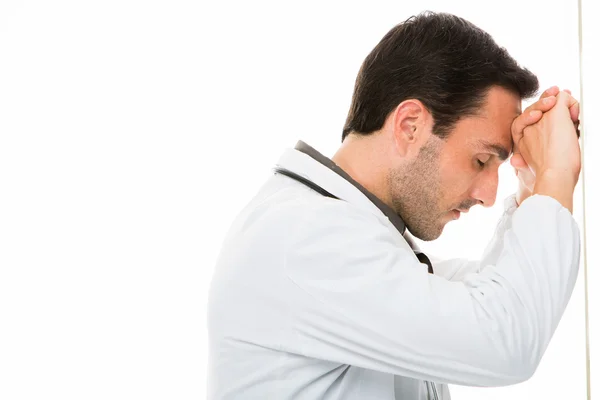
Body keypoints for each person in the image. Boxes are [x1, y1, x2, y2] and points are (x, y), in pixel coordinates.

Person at [207, 11, 582, 400]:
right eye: (482, 160)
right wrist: (556, 174)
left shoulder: (347, 234)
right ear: (410, 126)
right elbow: (502, 339)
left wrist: (533, 186)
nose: (489, 196)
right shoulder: (305, 237)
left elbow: (494, 296)